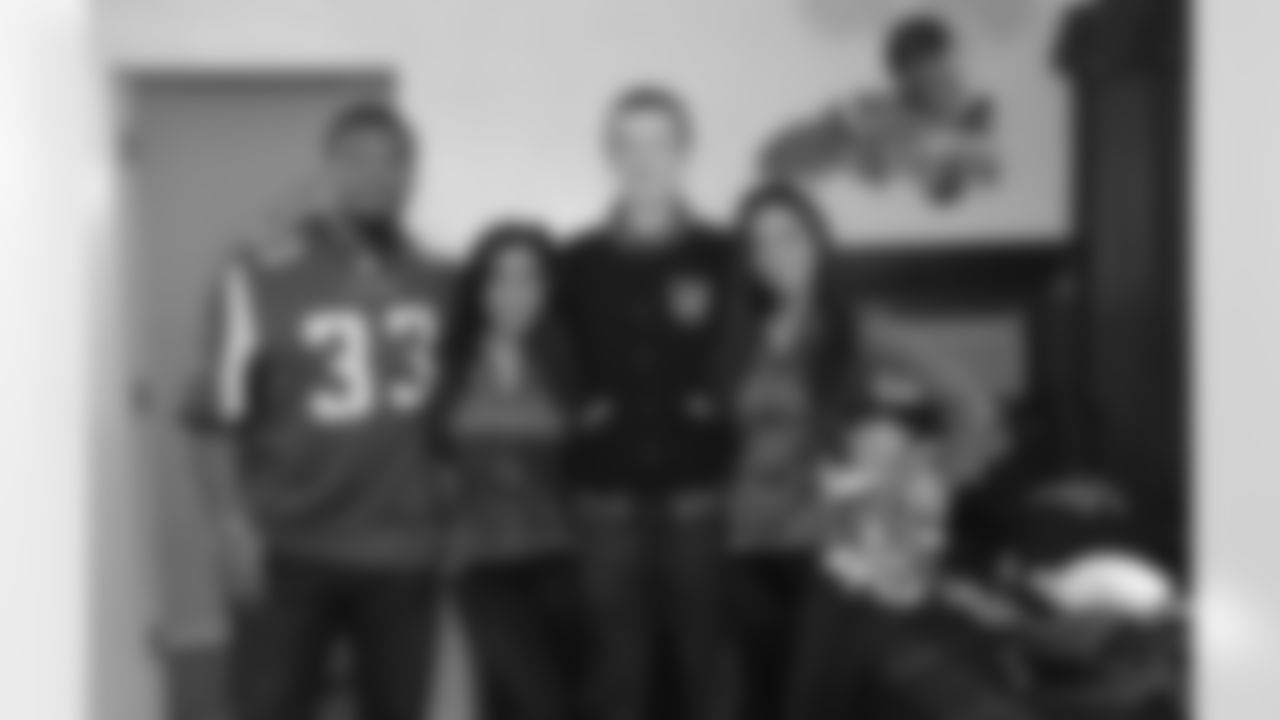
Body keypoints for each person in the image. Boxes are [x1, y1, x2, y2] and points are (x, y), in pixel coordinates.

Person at [187, 101, 450, 720]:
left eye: (393, 160)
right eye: (357, 158)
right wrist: (229, 524)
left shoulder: (441, 276)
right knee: (268, 706)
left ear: (412, 173)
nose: (376, 175)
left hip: (404, 549)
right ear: (327, 167)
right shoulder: (256, 272)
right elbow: (213, 417)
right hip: (289, 549)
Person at [555, 84, 738, 720]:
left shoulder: (727, 256)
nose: (643, 158)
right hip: (603, 494)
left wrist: (724, 405)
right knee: (617, 666)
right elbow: (544, 356)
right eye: (628, 143)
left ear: (685, 151)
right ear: (609, 153)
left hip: (701, 491)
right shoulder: (572, 262)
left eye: (659, 142)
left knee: (709, 657)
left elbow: (762, 354)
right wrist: (573, 409)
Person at [717, 184, 861, 720]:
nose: (775, 254)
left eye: (790, 236)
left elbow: (972, 409)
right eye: (759, 243)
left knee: (805, 704)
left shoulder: (856, 330)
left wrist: (917, 486)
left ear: (819, 240)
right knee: (760, 700)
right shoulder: (741, 335)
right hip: (742, 546)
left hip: (824, 546)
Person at [432, 222, 579, 720]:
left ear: (548, 288)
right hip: (480, 562)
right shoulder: (449, 363)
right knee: (541, 703)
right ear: (478, 287)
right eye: (499, 277)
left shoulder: (568, 362)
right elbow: (429, 458)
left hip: (563, 561)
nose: (514, 292)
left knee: (515, 701)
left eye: (529, 277)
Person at [763, 13, 998, 204]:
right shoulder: (876, 116)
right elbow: (776, 159)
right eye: (940, 77)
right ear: (907, 82)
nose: (953, 84)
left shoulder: (970, 130)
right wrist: (842, 136)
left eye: (954, 73)